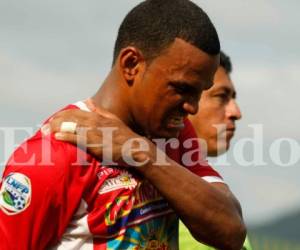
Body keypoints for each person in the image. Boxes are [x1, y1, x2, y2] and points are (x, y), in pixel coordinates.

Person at [0, 0, 246, 249]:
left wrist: (140, 153)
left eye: (199, 92)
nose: (192, 107)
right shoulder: (55, 152)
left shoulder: (174, 136)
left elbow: (231, 232)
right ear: (131, 64)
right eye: (182, 89)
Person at [180, 51, 253, 249]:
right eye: (222, 96)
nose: (236, 112)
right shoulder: (149, 200)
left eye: (233, 98)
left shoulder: (216, 198)